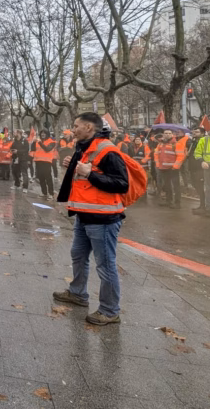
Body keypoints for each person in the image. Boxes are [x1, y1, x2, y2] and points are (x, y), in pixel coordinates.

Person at [53, 113, 129, 326]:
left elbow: (122, 184)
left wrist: (90, 174)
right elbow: (82, 177)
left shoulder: (108, 150)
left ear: (88, 127)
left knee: (105, 266)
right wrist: (73, 166)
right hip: (84, 217)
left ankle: (110, 310)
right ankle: (78, 293)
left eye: (75, 126)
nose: (72, 129)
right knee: (78, 255)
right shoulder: (84, 147)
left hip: (103, 220)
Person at [154, 129, 184, 209]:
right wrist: (158, 164)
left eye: (169, 133)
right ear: (163, 134)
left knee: (175, 186)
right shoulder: (160, 144)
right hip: (163, 168)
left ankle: (177, 203)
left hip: (173, 169)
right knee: (167, 185)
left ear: (172, 135)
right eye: (166, 133)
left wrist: (175, 166)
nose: (167, 134)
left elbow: (180, 156)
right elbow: (156, 154)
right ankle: (168, 201)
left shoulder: (176, 144)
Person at [32, 129, 58, 199]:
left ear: (47, 134)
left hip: (46, 162)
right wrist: (33, 142)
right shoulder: (38, 141)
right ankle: (44, 193)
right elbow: (33, 149)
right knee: (41, 178)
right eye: (41, 133)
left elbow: (47, 149)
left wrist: (40, 142)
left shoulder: (52, 142)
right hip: (38, 161)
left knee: (48, 178)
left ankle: (51, 193)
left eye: (44, 133)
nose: (42, 134)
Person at [185, 128, 206, 212]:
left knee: (199, 185)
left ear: (203, 133)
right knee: (195, 184)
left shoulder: (204, 141)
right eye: (194, 132)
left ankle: (203, 205)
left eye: (197, 132)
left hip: (200, 167)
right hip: (192, 166)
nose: (194, 133)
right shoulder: (193, 141)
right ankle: (202, 205)